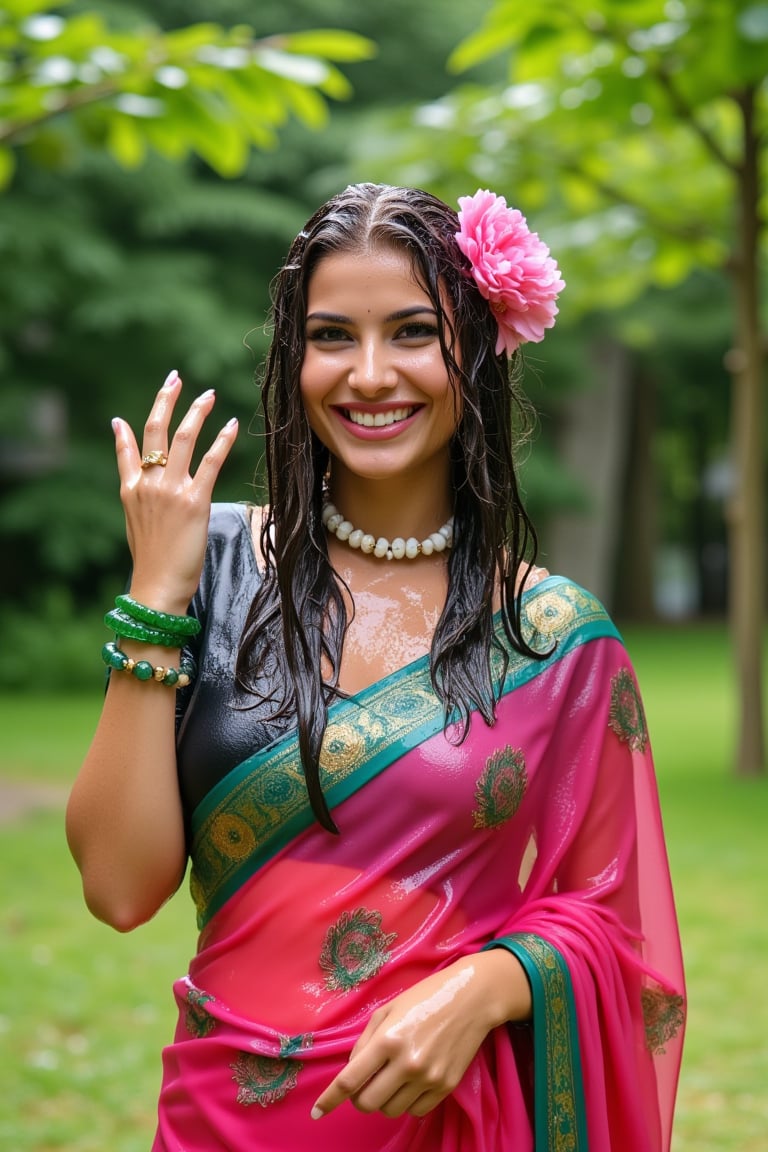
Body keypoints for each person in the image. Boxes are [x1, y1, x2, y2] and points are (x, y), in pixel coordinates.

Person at [66, 183, 685, 1151]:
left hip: (451, 1126)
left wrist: (493, 983)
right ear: (292, 357)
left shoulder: (551, 638)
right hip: (222, 1122)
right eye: (330, 337)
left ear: (475, 351)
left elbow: (614, 921)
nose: (368, 374)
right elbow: (117, 887)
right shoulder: (213, 564)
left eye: (409, 333)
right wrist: (156, 597)